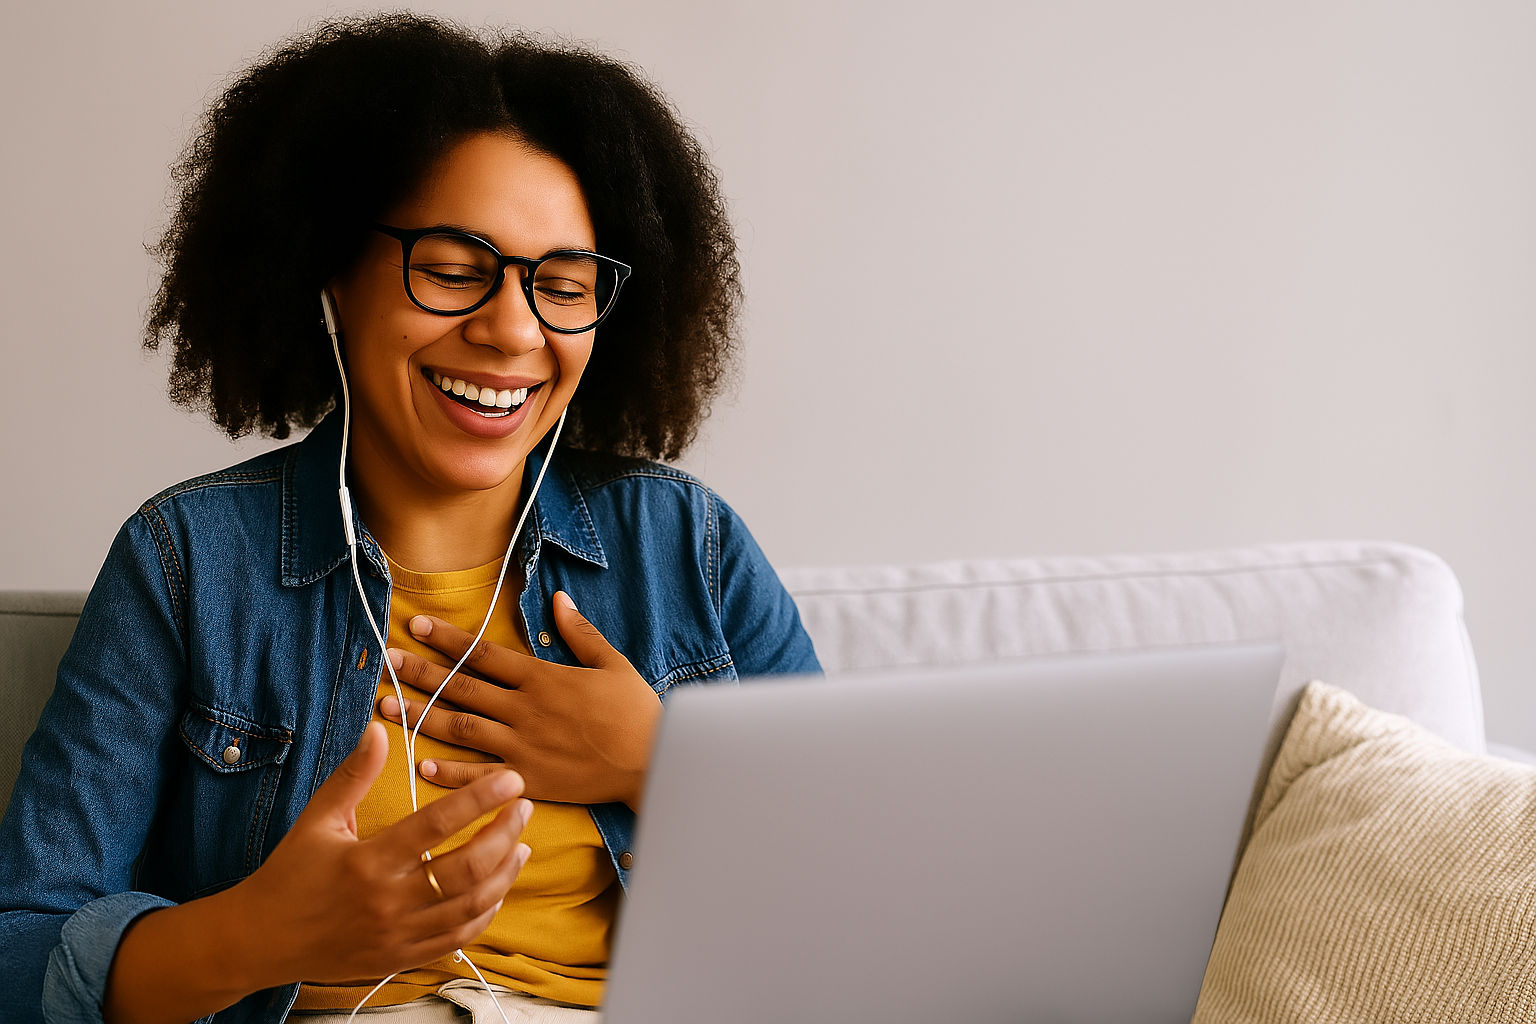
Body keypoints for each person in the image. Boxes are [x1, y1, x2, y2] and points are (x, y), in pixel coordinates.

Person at [0, 14, 819, 1024]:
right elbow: (21, 948)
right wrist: (261, 934)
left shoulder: (689, 547)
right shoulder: (186, 562)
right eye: (452, 267)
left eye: (562, 285)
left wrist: (670, 766)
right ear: (329, 272)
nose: (513, 329)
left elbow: (866, 910)